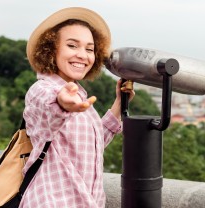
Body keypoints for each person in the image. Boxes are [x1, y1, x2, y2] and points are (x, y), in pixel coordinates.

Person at [21, 7, 135, 208]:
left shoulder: (80, 98)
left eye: (89, 49)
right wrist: (61, 101)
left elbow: (90, 145)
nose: (82, 55)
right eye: (72, 45)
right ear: (50, 49)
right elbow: (48, 104)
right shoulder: (41, 89)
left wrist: (119, 103)